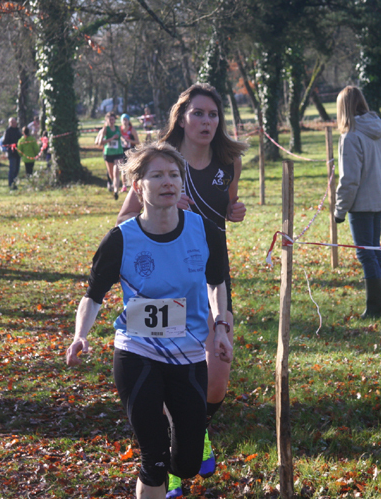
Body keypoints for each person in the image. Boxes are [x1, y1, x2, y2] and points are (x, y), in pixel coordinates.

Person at [66, 142, 233, 499]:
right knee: (154, 458)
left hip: (189, 355)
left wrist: (220, 326)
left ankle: (181, 452)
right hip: (137, 350)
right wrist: (80, 335)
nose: (167, 182)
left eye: (174, 175)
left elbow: (216, 283)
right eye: (157, 175)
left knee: (186, 463)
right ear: (138, 185)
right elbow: (93, 296)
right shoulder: (121, 240)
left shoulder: (203, 231)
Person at [117, 83, 248, 497]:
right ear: (182, 117)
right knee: (163, 376)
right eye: (198, 113)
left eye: (213, 114)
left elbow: (227, 207)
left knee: (217, 378)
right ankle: (168, 461)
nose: (207, 121)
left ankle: (194, 430)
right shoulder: (162, 160)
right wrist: (164, 207)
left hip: (210, 278)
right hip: (162, 285)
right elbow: (123, 220)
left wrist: (235, 211)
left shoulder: (228, 161)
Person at [333, 86, 381, 318]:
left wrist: (340, 210)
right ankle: (380, 305)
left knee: (366, 253)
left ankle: (375, 309)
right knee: (374, 251)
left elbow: (349, 180)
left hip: (362, 204)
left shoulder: (351, 136)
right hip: (377, 198)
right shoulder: (375, 129)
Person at [95, 111, 125, 199]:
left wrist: (124, 141)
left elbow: (122, 136)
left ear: (115, 120)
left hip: (118, 153)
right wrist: (111, 138)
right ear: (106, 120)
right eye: (109, 120)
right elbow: (100, 143)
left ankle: (116, 191)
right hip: (108, 154)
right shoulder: (105, 129)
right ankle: (112, 185)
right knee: (111, 174)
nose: (111, 121)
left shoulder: (118, 128)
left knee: (116, 172)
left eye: (112, 119)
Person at [120, 114, 140, 191]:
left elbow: (137, 141)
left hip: (131, 151)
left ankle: (133, 184)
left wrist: (129, 141)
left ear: (128, 121)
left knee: (132, 168)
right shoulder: (120, 129)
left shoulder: (132, 130)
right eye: (123, 120)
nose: (125, 122)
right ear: (121, 121)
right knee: (123, 168)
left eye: (126, 120)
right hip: (122, 151)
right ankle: (124, 185)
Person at [1, 117, 23, 189]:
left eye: (14, 122)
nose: (13, 124)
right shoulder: (7, 131)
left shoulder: (18, 130)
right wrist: (10, 145)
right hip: (11, 153)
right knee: (12, 169)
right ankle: (11, 184)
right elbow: (4, 142)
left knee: (17, 169)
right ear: (9, 123)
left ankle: (15, 184)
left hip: (18, 153)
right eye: (12, 122)